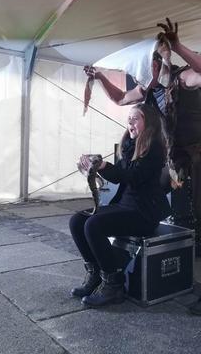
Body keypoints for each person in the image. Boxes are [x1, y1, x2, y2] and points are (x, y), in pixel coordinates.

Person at [83, 18, 201, 315]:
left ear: (157, 63)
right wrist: (100, 77)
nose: (144, 77)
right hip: (174, 158)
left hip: (200, 151)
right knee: (149, 185)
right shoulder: (148, 89)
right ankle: (132, 232)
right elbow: (120, 98)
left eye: (148, 69)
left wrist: (178, 46)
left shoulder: (182, 78)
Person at [69, 103, 171, 307]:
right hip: (125, 206)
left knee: (93, 225)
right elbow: (119, 179)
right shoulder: (129, 146)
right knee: (77, 220)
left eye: (136, 118)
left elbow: (134, 177)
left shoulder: (155, 149)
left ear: (148, 123)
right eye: (129, 119)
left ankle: (114, 285)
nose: (130, 123)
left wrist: (104, 166)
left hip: (143, 213)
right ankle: (96, 273)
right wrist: (93, 169)